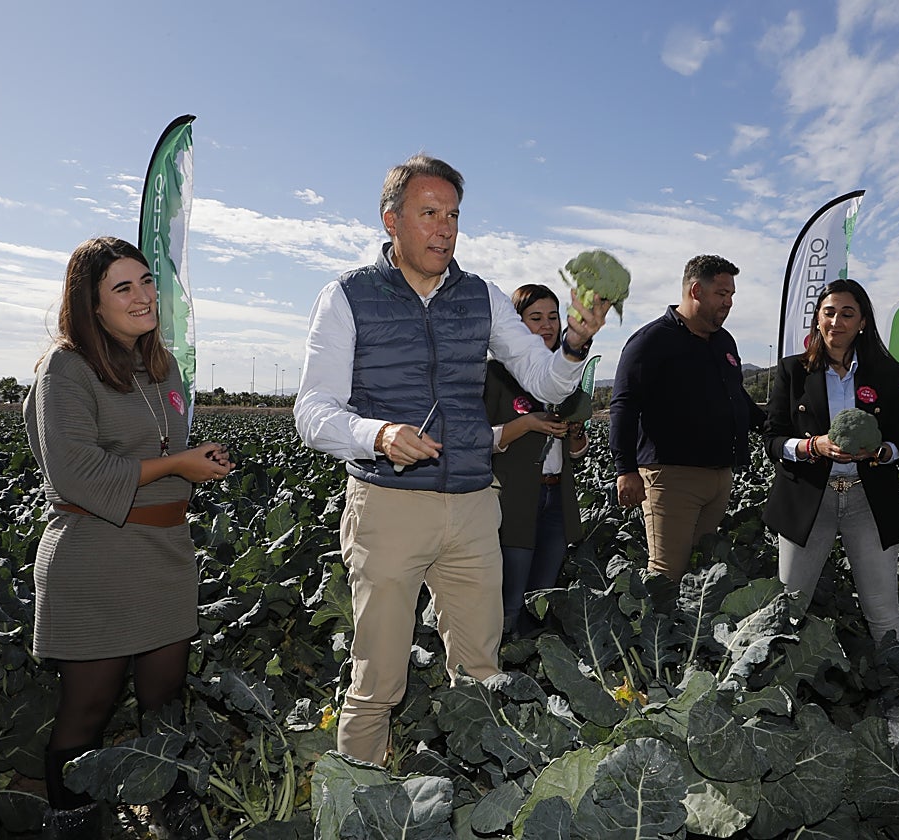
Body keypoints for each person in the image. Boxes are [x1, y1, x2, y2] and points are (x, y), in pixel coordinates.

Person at [294, 155, 610, 766]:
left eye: (454, 216)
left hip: (470, 505)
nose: (444, 229)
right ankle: (359, 795)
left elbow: (545, 383)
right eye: (429, 213)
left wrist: (574, 341)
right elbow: (313, 411)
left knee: (481, 668)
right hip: (387, 506)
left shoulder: (481, 297)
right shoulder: (346, 297)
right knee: (377, 678)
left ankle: (475, 795)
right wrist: (378, 433)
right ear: (391, 220)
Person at [24, 236, 233, 839]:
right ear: (90, 304)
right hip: (96, 557)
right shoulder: (66, 369)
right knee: (86, 710)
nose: (143, 296)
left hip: (165, 555)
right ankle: (72, 823)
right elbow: (77, 473)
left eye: (147, 282)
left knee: (165, 704)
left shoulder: (157, 369)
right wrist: (176, 467)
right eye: (123, 287)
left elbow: (161, 450)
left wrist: (197, 461)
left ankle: (171, 809)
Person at [762, 278, 899, 646]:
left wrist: (879, 452)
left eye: (848, 314)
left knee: (883, 611)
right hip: (809, 500)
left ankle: (897, 692)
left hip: (868, 501)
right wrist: (813, 446)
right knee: (789, 609)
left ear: (862, 322)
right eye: (829, 312)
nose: (836, 321)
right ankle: (781, 694)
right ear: (817, 319)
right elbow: (772, 439)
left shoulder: (885, 372)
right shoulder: (792, 371)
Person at [609, 254, 766, 582]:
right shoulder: (651, 341)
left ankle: (692, 632)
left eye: (732, 295)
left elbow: (738, 397)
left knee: (700, 571)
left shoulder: (724, 341)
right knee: (667, 573)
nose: (729, 303)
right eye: (722, 294)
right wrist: (625, 469)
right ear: (696, 291)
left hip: (720, 476)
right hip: (672, 477)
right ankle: (657, 633)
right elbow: (624, 405)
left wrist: (774, 426)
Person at [484, 284, 590, 637]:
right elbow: (480, 440)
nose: (547, 326)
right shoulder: (496, 373)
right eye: (536, 318)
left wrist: (576, 437)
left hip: (555, 499)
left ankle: (529, 671)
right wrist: (527, 423)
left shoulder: (565, 374)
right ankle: (498, 675)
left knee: (541, 600)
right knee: (509, 600)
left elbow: (573, 454)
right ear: (515, 325)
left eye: (553, 317)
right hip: (513, 501)